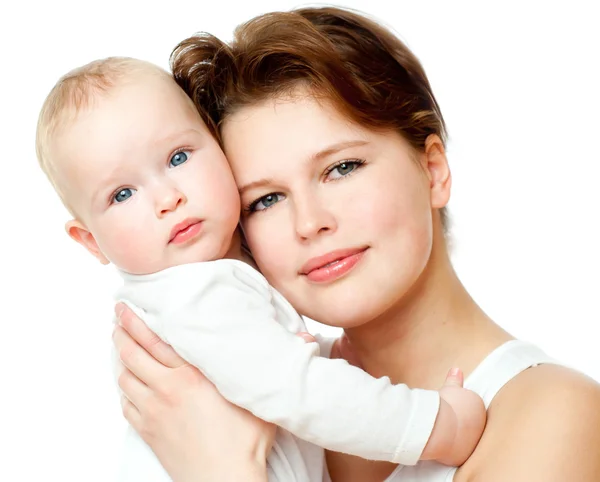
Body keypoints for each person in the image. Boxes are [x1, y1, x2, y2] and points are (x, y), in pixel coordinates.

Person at [112, 6, 600, 482]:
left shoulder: (554, 416)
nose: (310, 222)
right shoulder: (236, 390)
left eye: (341, 168)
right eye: (266, 200)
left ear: (433, 170)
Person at [35, 56, 486, 481]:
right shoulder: (199, 298)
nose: (167, 198)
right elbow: (303, 393)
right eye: (122, 194)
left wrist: (326, 353)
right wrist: (438, 425)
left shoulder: (183, 298)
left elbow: (261, 369)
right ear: (91, 241)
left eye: (178, 158)